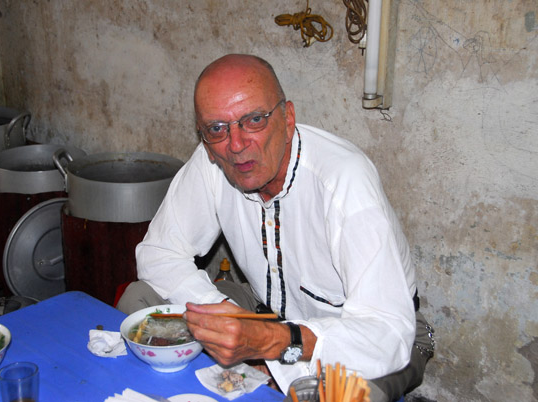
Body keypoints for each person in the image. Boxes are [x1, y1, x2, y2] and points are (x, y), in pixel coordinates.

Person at [117, 54, 434, 401]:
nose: (235, 145)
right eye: (216, 128)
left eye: (254, 120)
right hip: (264, 310)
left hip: (361, 337)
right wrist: (231, 317)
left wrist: (272, 344)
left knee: (345, 397)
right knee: (140, 300)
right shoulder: (213, 160)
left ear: (288, 118)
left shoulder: (343, 182)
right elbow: (159, 252)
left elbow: (386, 335)